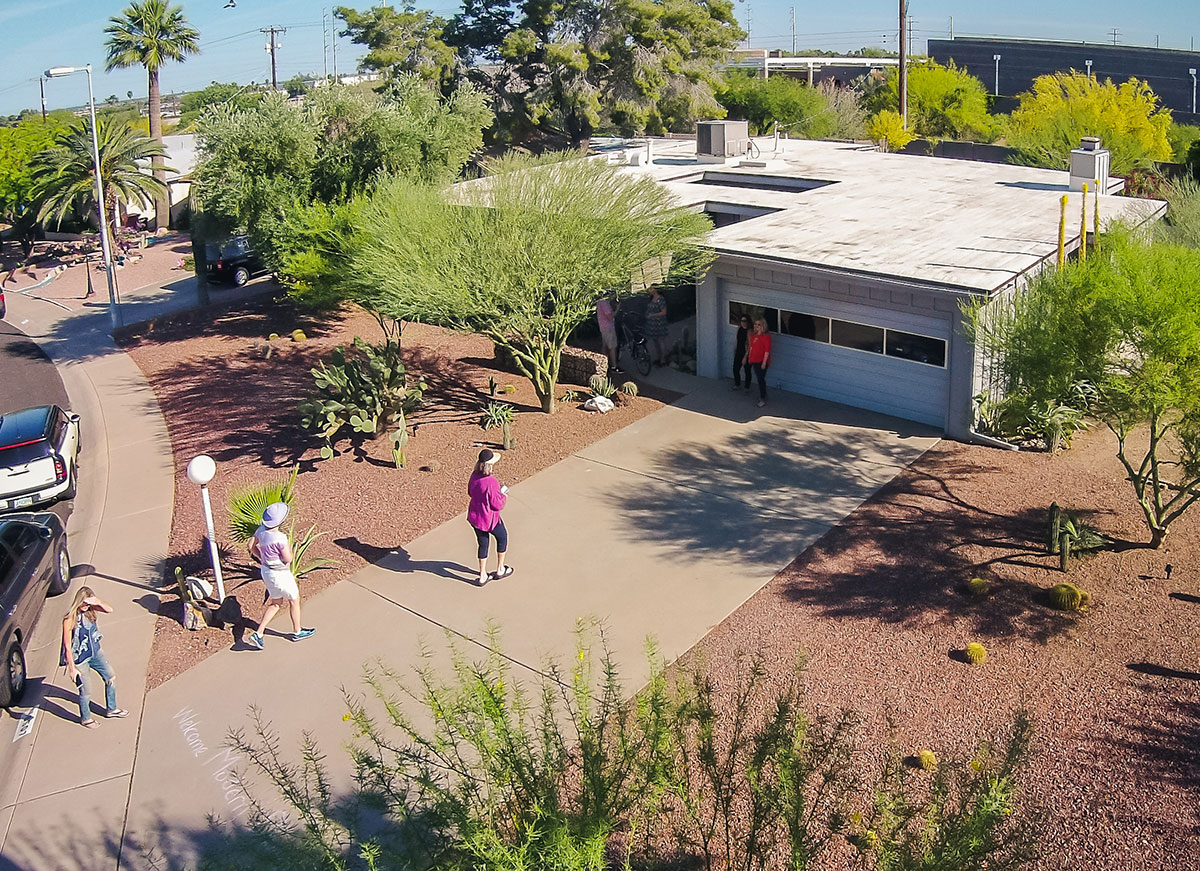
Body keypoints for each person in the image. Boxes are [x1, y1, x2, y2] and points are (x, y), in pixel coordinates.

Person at [247, 502, 315, 649]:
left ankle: (258, 634)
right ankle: (297, 631)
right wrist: (289, 548)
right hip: (281, 574)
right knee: (294, 600)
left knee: (276, 602)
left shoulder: (261, 531)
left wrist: (261, 557)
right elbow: (288, 559)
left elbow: (250, 545)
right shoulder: (280, 538)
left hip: (267, 571)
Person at [62, 587, 127, 728]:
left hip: (96, 653)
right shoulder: (69, 618)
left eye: (88, 603)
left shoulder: (91, 611)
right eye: (83, 603)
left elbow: (110, 610)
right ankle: (86, 718)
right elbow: (67, 646)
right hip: (80, 659)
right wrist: (72, 668)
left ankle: (112, 708)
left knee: (111, 677)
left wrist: (97, 601)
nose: (86, 606)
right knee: (86, 691)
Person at [468, 448, 511, 586]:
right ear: (489, 465)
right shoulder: (491, 481)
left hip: (476, 517)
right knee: (502, 537)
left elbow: (470, 492)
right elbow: (497, 505)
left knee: (483, 543)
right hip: (490, 519)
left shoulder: (474, 476)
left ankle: (482, 575)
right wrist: (503, 495)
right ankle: (500, 569)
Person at [745, 317, 772, 408]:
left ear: (763, 326)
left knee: (761, 378)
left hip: (762, 361)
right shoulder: (754, 336)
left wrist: (764, 362)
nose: (757, 326)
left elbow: (767, 350)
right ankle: (763, 394)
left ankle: (762, 397)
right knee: (759, 378)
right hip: (754, 360)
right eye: (755, 324)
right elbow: (752, 347)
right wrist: (749, 357)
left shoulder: (766, 337)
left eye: (759, 325)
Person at [644, 287, 669, 366]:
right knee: (655, 341)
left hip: (659, 323)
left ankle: (663, 360)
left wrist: (653, 315)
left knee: (661, 341)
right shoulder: (651, 299)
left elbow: (663, 312)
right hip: (652, 324)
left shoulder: (660, 299)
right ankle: (658, 357)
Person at [597, 296, 619, 374]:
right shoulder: (604, 303)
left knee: (605, 346)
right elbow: (610, 316)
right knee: (612, 347)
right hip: (608, 328)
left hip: (603, 327)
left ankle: (602, 365)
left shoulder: (600, 301)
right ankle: (614, 367)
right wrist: (617, 308)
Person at [732, 314, 751, 391]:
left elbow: (750, 344)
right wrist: (735, 348)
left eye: (744, 321)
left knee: (747, 370)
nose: (743, 322)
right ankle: (737, 383)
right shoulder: (739, 329)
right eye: (742, 321)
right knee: (735, 369)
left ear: (748, 321)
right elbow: (738, 339)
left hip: (746, 353)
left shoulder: (749, 331)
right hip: (739, 351)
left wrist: (745, 356)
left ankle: (747, 387)